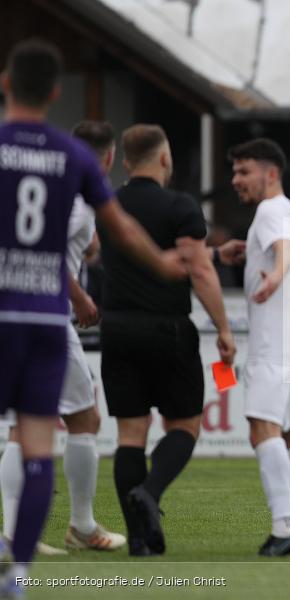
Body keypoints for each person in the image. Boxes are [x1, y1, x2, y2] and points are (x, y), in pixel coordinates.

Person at [0, 39, 186, 594]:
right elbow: (123, 227)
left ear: (6, 84)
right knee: (41, 438)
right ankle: (21, 574)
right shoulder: (72, 157)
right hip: (41, 318)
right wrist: (164, 262)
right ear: (56, 93)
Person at [99, 124, 239, 557]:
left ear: (126, 161)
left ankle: (139, 539)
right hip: (168, 330)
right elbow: (197, 270)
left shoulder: (109, 205)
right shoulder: (180, 205)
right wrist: (223, 327)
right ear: (164, 159)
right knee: (184, 425)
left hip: (117, 328)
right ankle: (151, 493)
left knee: (130, 435)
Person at [0, 121, 127, 555]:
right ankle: (81, 525)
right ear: (108, 158)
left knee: (24, 425)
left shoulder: (51, 181)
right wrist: (81, 298)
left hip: (16, 311)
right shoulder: (78, 195)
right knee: (85, 419)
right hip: (47, 314)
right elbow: (50, 255)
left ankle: (17, 533)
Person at [229, 138, 290, 556]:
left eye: (244, 171)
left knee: (261, 428)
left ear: (271, 174)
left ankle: (283, 526)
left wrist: (272, 278)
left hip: (277, 340)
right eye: (235, 171)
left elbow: (283, 253)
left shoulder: (269, 211)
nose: (236, 180)